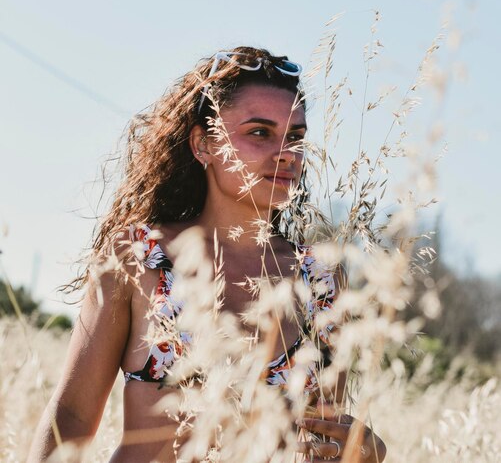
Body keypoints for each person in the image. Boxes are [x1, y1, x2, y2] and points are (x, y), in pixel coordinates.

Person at [29, 47, 386, 462]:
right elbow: (70, 416)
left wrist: (367, 455)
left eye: (295, 137)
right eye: (259, 132)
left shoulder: (322, 280)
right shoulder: (138, 256)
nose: (286, 153)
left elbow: (323, 439)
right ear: (203, 145)